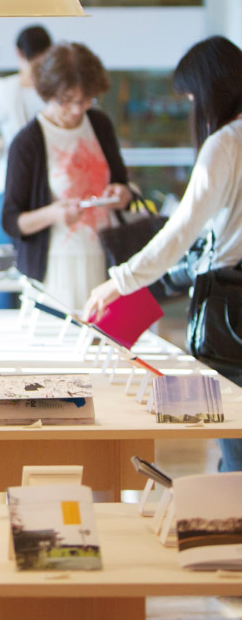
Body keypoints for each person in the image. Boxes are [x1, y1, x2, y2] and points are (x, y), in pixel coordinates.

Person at [85, 36, 242, 472]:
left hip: (231, 307)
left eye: (192, 95)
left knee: (234, 437)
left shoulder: (226, 143)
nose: (193, 106)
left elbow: (180, 231)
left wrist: (120, 281)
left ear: (210, 89)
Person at [2, 42, 132, 312]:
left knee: (106, 346)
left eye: (85, 100)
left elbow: (122, 184)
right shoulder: (28, 143)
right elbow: (11, 220)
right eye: (66, 100)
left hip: (106, 258)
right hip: (56, 267)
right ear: (48, 93)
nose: (76, 110)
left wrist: (123, 194)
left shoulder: (99, 124)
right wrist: (53, 214)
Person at [0, 25, 52, 309]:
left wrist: (9, 157)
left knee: (6, 269)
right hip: (46, 191)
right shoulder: (53, 92)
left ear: (18, 52)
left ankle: (5, 339)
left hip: (6, 187)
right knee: (42, 270)